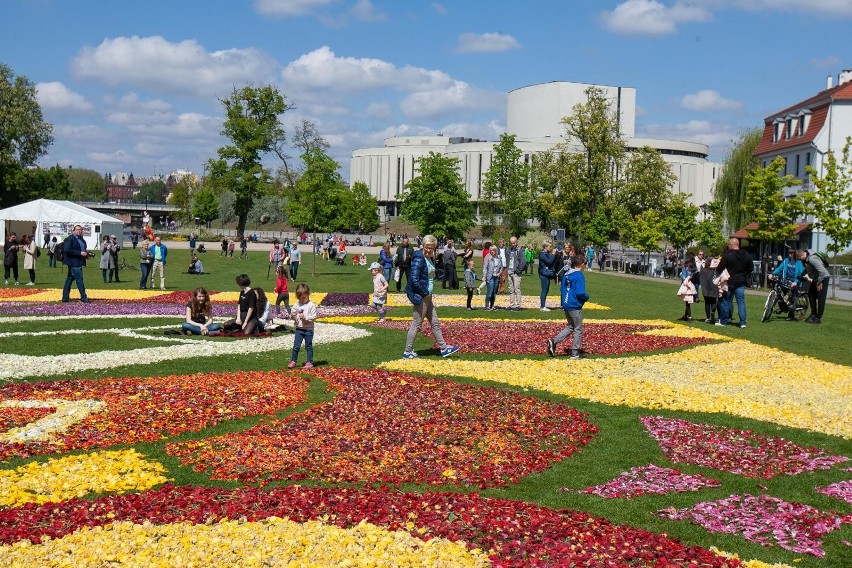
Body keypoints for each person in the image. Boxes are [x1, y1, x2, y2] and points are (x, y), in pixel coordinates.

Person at [402, 235, 460, 359]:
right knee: (417, 323)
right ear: (423, 245)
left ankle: (444, 348)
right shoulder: (419, 258)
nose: (429, 250)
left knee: (435, 322)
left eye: (432, 248)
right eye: (428, 247)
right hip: (422, 296)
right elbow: (414, 279)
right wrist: (425, 293)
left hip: (427, 296)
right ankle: (407, 352)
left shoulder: (428, 257)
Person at [547, 255, 589, 360]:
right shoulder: (579, 276)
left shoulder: (567, 274)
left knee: (571, 326)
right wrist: (586, 297)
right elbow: (580, 292)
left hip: (566, 304)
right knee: (578, 329)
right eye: (585, 263)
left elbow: (562, 289)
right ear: (582, 264)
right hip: (574, 305)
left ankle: (554, 341)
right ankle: (575, 353)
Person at [714, 237, 752, 328]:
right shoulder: (746, 254)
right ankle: (742, 322)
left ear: (731, 245)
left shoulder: (727, 255)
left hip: (729, 281)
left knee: (726, 301)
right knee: (741, 302)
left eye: (728, 245)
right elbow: (751, 267)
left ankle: (724, 321)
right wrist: (744, 274)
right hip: (741, 281)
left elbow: (719, 268)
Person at [288, 282, 317, 369]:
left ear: (308, 295)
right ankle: (293, 361)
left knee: (308, 346)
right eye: (300, 298)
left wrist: (305, 317)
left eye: (303, 298)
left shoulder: (311, 305)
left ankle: (309, 362)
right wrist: (292, 315)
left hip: (308, 330)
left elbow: (314, 317)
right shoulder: (297, 304)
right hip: (299, 329)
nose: (302, 300)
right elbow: (293, 316)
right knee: (296, 346)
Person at [798, 249, 831, 324]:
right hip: (816, 279)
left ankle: (818, 318)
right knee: (811, 294)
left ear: (803, 254)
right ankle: (813, 314)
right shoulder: (806, 260)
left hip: (823, 278)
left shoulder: (812, 258)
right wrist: (801, 275)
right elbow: (808, 269)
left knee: (820, 298)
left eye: (800, 258)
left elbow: (822, 271)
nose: (799, 260)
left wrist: (819, 282)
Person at [771, 250, 805, 321]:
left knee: (792, 299)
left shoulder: (799, 263)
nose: (790, 255)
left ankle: (791, 315)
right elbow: (779, 268)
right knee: (779, 295)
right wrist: (773, 274)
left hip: (795, 282)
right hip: (786, 281)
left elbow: (800, 274)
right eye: (789, 253)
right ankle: (783, 308)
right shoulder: (786, 261)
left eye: (791, 253)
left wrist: (795, 282)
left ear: (795, 254)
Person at [61, 225, 90, 303]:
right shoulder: (70, 239)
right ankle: (83, 297)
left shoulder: (81, 239)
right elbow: (67, 250)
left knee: (69, 280)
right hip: (73, 262)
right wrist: (80, 253)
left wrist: (86, 254)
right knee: (79, 280)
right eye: (77, 229)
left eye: (80, 230)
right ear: (74, 230)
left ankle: (65, 297)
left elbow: (83, 248)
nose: (79, 231)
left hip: (79, 261)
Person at [505, 236, 527, 311]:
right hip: (510, 272)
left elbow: (523, 262)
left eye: (514, 243)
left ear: (517, 242)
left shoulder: (520, 250)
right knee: (511, 289)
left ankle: (518, 305)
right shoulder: (509, 250)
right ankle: (511, 304)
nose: (513, 244)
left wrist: (518, 270)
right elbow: (508, 260)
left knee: (517, 289)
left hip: (516, 273)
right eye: (511, 243)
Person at [699, 257, 720, 324]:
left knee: (707, 303)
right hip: (714, 288)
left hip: (705, 288)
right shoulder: (715, 271)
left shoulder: (703, 270)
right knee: (714, 302)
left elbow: (700, 279)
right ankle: (713, 312)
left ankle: (708, 317)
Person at [677, 256, 698, 322]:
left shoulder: (686, 268)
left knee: (687, 302)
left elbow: (683, 277)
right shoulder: (694, 269)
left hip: (687, 286)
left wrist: (681, 275)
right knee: (688, 302)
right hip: (692, 286)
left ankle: (689, 317)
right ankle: (686, 315)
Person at [538, 241, 557, 312]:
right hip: (544, 274)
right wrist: (553, 254)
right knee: (544, 290)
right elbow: (549, 262)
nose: (551, 248)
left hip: (546, 273)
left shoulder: (546, 253)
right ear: (545, 247)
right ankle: (542, 306)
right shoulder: (543, 254)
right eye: (549, 246)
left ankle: (543, 306)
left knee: (546, 290)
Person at [483, 244, 502, 311]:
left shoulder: (499, 257)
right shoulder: (487, 257)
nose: (492, 251)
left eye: (493, 250)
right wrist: (484, 276)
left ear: (496, 250)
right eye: (491, 250)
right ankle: (487, 306)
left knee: (494, 292)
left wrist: (499, 274)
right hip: (490, 277)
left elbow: (501, 267)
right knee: (489, 292)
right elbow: (485, 268)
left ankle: (492, 305)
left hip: (496, 277)